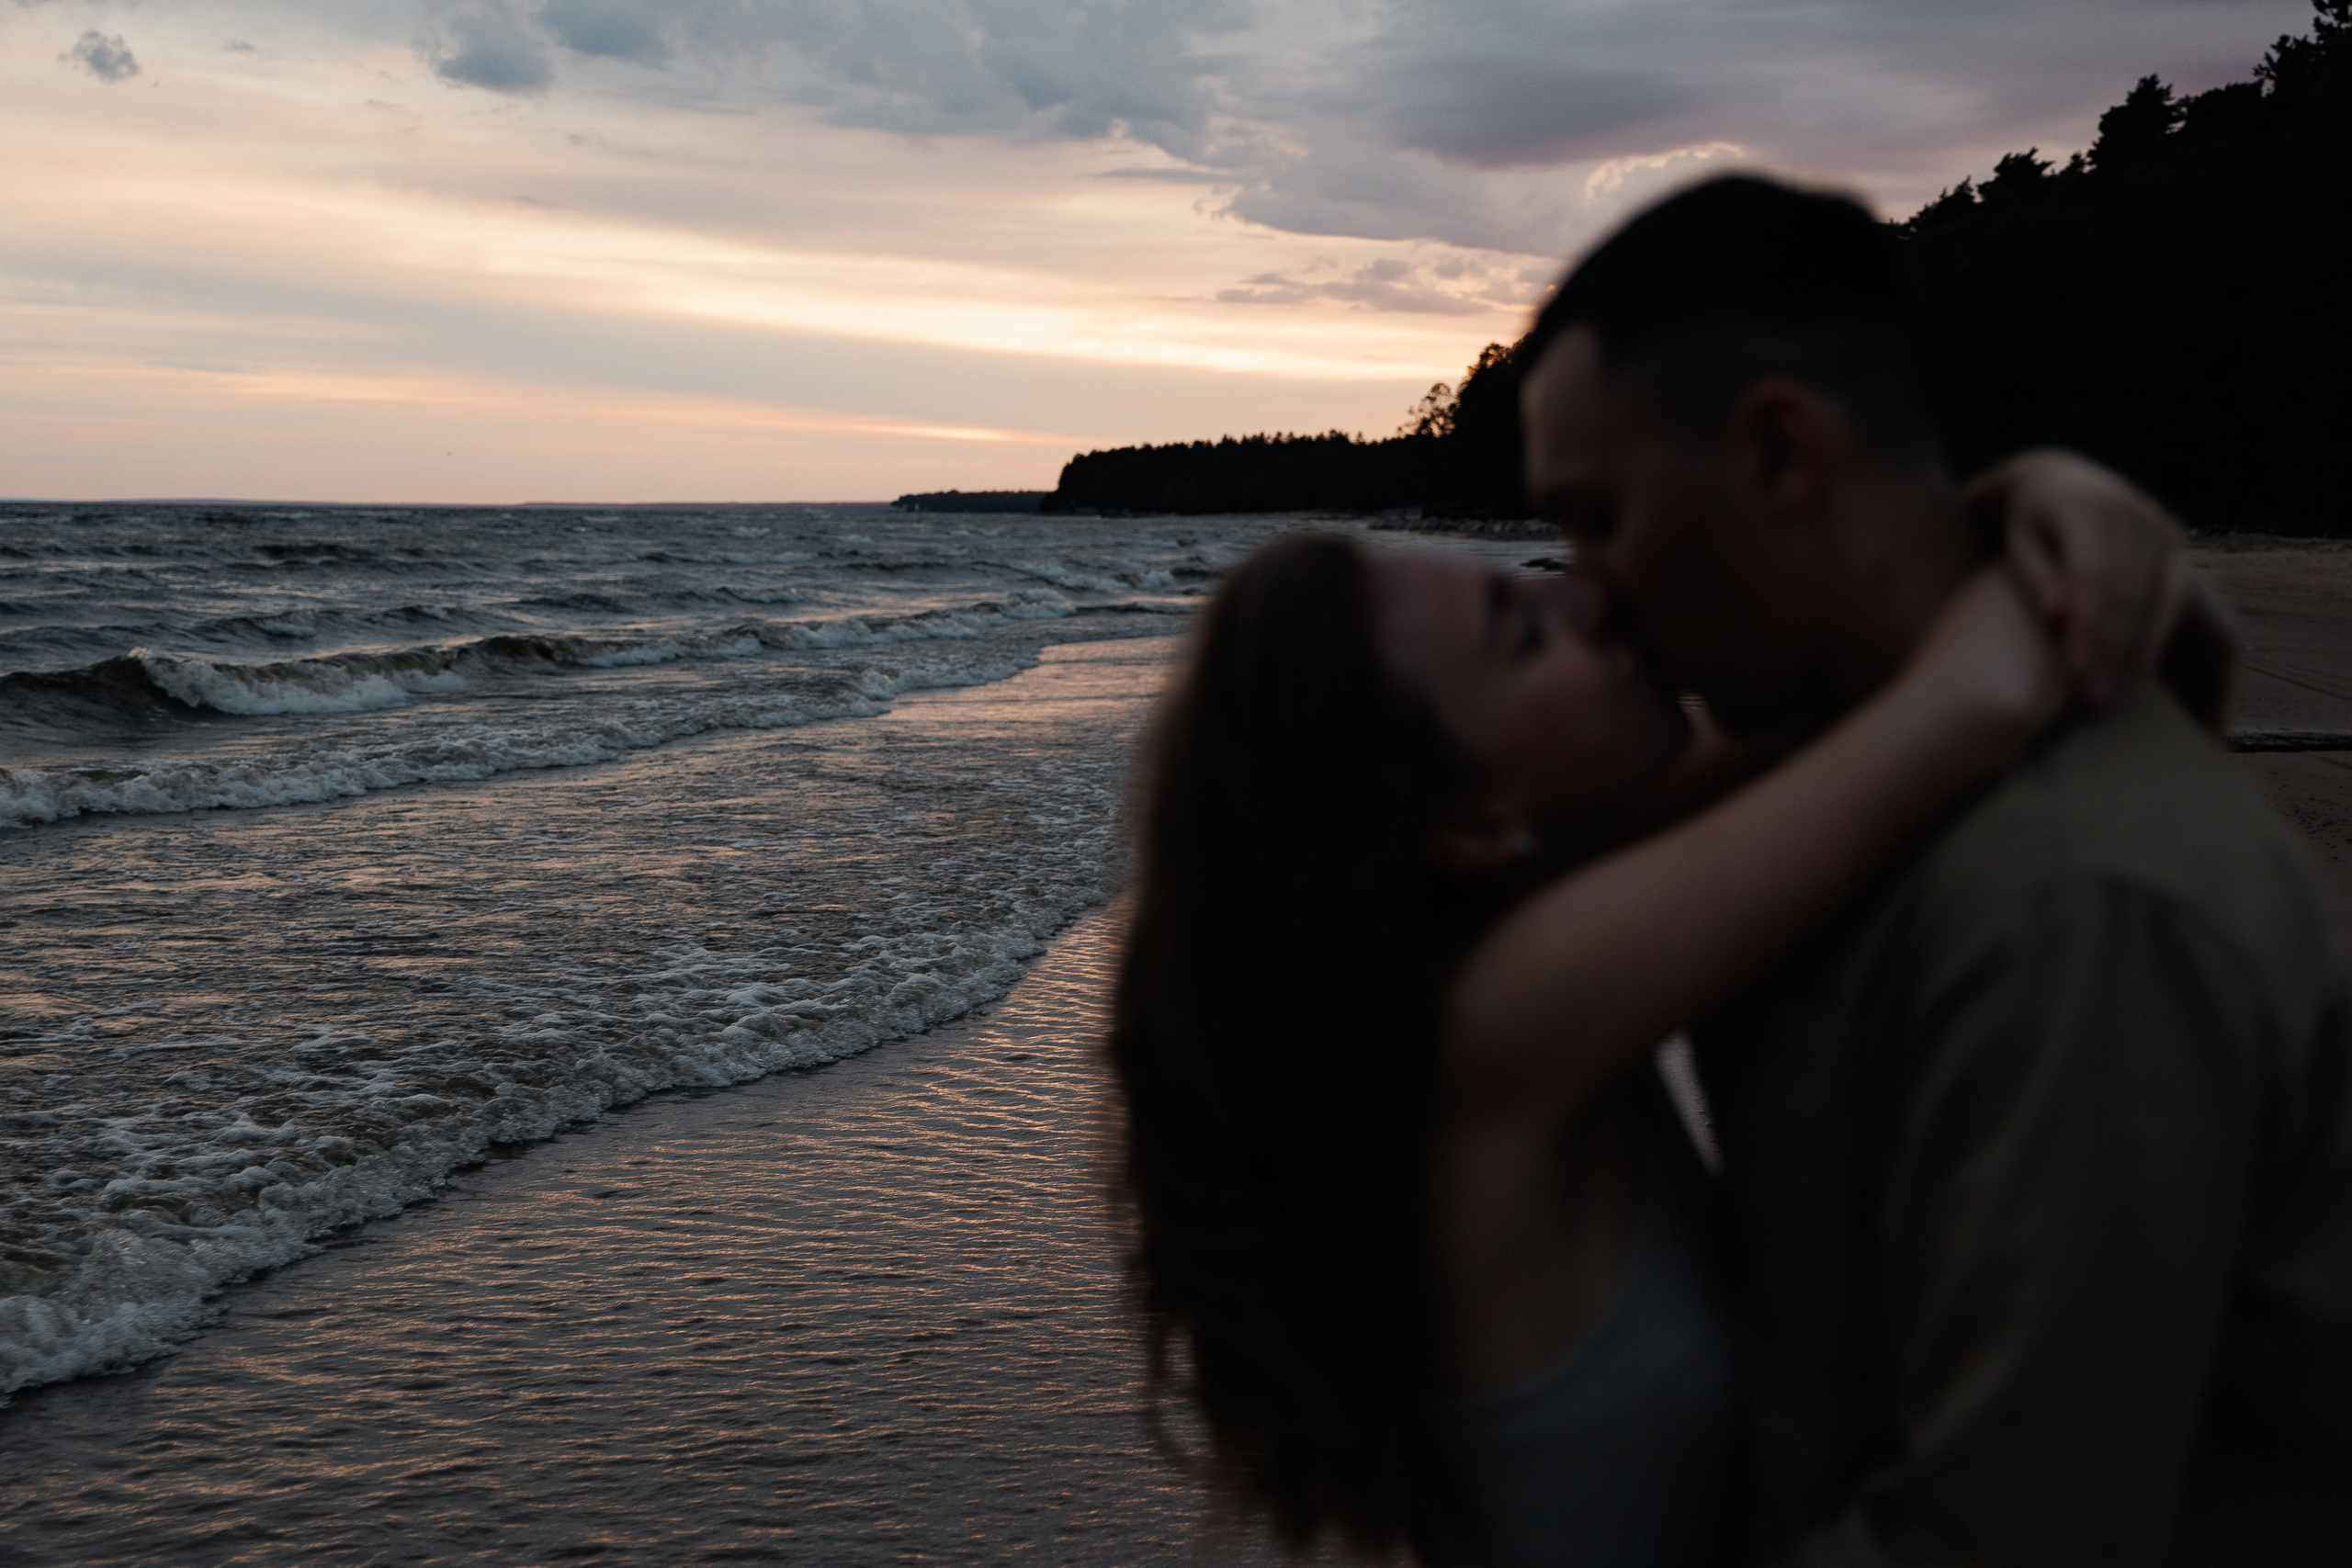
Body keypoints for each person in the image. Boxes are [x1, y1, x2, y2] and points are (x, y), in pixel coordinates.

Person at [1108, 457, 2189, 1562]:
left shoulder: (1483, 924)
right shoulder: (1492, 1023)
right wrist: (2048, 508)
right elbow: (1974, 693)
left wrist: (2021, 493)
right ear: (1473, 820)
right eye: (1523, 634)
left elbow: (1832, 683)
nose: (1583, 595)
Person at [1516, 175, 2352, 1564]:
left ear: (1780, 451)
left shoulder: (2069, 907)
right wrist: (2027, 498)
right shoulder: (1827, 768)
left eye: (1597, 517)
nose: (1585, 592)